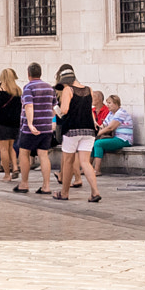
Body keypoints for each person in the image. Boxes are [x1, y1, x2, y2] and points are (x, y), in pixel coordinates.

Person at [53, 65, 100, 202]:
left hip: (72, 129)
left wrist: (57, 109)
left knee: (68, 161)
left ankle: (64, 193)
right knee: (85, 162)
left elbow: (65, 110)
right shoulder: (89, 89)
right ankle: (95, 192)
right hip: (89, 130)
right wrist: (94, 123)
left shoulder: (68, 90)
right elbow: (90, 110)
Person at [18, 63, 59, 195]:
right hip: (46, 127)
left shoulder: (28, 87)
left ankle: (24, 183)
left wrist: (30, 123)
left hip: (31, 128)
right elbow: (54, 108)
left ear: (28, 74)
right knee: (43, 155)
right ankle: (46, 186)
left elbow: (29, 105)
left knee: (24, 153)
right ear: (40, 73)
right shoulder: (49, 88)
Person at [0, 70, 22, 184]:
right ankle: (15, 167)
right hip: (15, 123)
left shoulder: (0, 91)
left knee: (3, 148)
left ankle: (7, 174)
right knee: (11, 147)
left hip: (3, 123)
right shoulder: (18, 90)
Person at [92, 95, 136, 164]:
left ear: (116, 103)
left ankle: (97, 170)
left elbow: (110, 128)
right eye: (107, 103)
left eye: (109, 103)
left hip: (124, 139)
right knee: (93, 142)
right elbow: (103, 126)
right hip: (116, 138)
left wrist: (96, 134)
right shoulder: (110, 113)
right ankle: (88, 167)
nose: (107, 105)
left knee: (98, 143)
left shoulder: (121, 113)